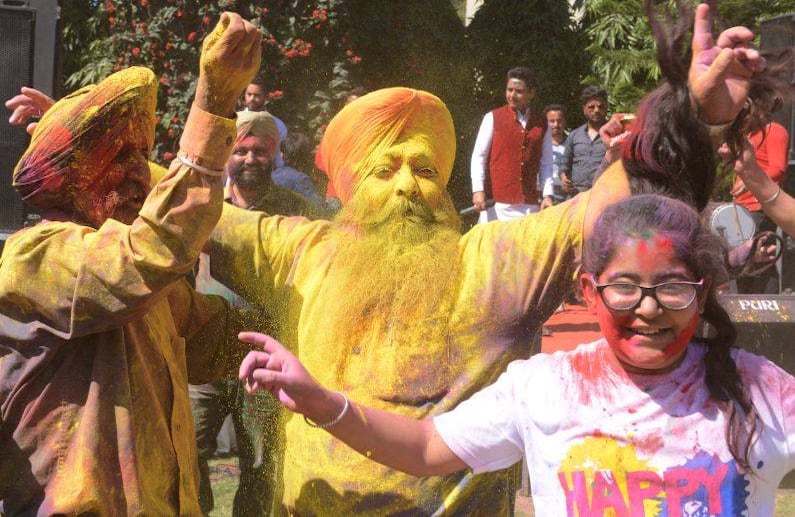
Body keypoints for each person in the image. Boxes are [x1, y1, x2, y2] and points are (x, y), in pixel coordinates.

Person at [206, 3, 766, 513]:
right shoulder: (304, 250)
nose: (408, 186)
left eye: (425, 170)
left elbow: (612, 205)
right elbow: (187, 207)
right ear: (348, 190)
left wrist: (692, 112)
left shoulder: (492, 261)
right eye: (385, 170)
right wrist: (211, 102)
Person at [239, 194, 795, 517]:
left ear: (702, 290)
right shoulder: (548, 386)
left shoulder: (760, 391)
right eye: (625, 287)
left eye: (672, 288)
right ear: (587, 290)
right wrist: (318, 400)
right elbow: (428, 446)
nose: (648, 309)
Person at [0, 13, 264, 514]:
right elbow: (144, 257)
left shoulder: (143, 275)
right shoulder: (35, 257)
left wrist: (309, 326)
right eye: (119, 159)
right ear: (71, 179)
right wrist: (213, 103)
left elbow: (212, 338)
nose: (139, 177)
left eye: (140, 159)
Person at [189, 109, 327, 516]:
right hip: (205, 355)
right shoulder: (206, 204)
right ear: (229, 154)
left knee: (262, 465)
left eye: (261, 151)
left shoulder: (296, 211)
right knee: (188, 447)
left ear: (276, 154)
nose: (251, 159)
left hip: (268, 356)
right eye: (242, 150)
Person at [728, 88, 790, 294]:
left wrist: (747, 181)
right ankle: (747, 311)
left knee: (761, 261)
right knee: (744, 262)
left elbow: (778, 168)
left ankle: (767, 311)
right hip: (744, 209)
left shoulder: (775, 130)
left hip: (760, 208)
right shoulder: (750, 135)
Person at [471, 66, 551, 223]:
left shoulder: (542, 123)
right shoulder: (492, 118)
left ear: (531, 93)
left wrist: (547, 195)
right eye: (509, 90)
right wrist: (478, 190)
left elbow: (546, 163)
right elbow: (478, 157)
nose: (512, 95)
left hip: (529, 207)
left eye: (519, 91)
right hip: (497, 206)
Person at [559, 86, 609, 195]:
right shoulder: (574, 135)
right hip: (576, 197)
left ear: (606, 108)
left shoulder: (614, 135)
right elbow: (564, 165)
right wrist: (564, 179)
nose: (596, 110)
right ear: (584, 109)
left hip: (603, 196)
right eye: (591, 107)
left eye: (601, 107)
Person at [540, 104, 568, 209]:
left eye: (559, 121)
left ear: (564, 121)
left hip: (564, 196)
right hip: (541, 194)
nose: (556, 124)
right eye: (551, 121)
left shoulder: (572, 144)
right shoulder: (539, 145)